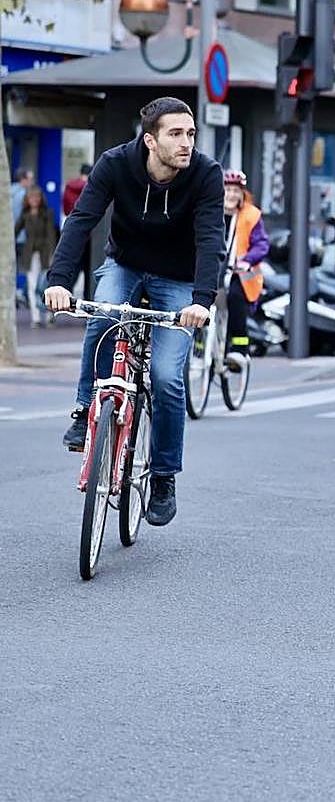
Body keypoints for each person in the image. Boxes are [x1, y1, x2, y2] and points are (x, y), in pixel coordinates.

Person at [43, 97, 221, 527]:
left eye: (191, 134)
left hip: (178, 281)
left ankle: (162, 476)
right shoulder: (115, 164)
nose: (187, 143)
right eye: (176, 134)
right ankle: (87, 410)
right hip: (125, 264)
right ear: (150, 140)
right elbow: (81, 220)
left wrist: (202, 300)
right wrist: (58, 281)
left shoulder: (205, 174)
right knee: (102, 317)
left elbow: (210, 238)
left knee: (165, 376)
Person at [220, 170, 268, 368]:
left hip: (241, 274)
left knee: (235, 299)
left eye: (235, 191)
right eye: (228, 190)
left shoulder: (251, 215)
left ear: (242, 194)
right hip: (216, 269)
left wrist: (247, 260)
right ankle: (201, 347)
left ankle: (240, 349)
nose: (231, 195)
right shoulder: (212, 211)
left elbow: (262, 244)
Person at [14, 185, 59, 328]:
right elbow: (15, 230)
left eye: (37, 197)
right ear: (27, 199)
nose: (34, 200)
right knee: (32, 286)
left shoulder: (47, 213)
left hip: (45, 253)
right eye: (31, 197)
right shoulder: (25, 214)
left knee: (45, 286)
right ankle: (36, 318)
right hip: (29, 254)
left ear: (41, 198)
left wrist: (53, 254)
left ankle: (49, 315)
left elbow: (51, 235)